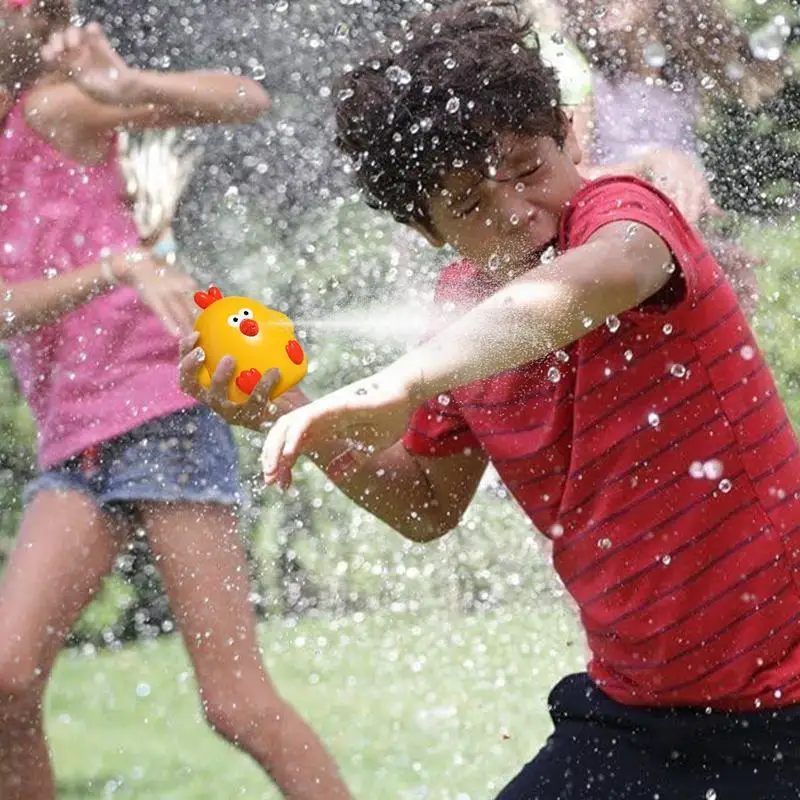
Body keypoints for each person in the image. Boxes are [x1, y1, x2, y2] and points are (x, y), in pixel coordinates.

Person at [183, 1, 800, 798]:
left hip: (786, 706)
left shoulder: (622, 214)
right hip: (638, 713)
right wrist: (292, 409)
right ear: (429, 230)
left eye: (529, 168)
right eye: (471, 204)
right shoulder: (459, 322)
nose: (516, 208)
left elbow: (587, 287)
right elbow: (423, 505)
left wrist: (403, 381)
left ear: (569, 140)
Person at [0, 6, 350, 800]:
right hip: (76, 440)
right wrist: (116, 266)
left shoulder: (53, 109)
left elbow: (246, 99)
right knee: (6, 681)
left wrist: (127, 83)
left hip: (158, 409)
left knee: (234, 703)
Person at [559, 0, 791, 314]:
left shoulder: (680, 84)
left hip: (669, 254)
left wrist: (710, 250)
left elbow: (678, 197)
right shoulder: (592, 84)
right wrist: (650, 163)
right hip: (619, 255)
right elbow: (576, 180)